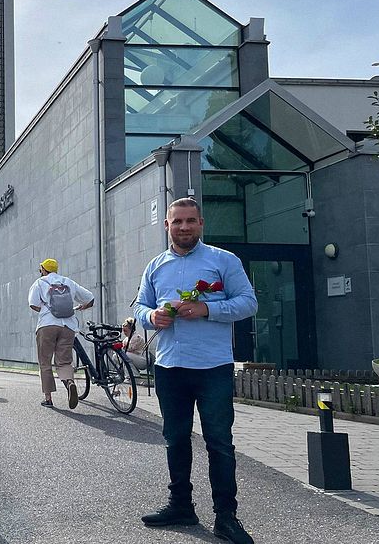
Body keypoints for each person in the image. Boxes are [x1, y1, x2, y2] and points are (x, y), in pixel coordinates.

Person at [134, 197, 258, 544]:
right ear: (167, 226)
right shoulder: (155, 266)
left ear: (201, 224)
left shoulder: (223, 260)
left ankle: (226, 516)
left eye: (190, 221)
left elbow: (248, 302)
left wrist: (206, 309)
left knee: (219, 443)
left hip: (212, 366)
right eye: (177, 222)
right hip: (170, 366)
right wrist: (151, 317)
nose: (184, 227)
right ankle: (181, 505)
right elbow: (141, 305)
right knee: (175, 439)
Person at [28, 258, 93, 409]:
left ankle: (48, 398)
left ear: (43, 270)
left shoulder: (40, 283)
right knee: (64, 361)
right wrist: (82, 307)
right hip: (68, 325)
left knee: (45, 362)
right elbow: (90, 298)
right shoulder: (68, 282)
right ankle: (69, 382)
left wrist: (46, 309)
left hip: (47, 325)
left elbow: (33, 304)